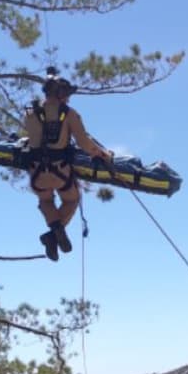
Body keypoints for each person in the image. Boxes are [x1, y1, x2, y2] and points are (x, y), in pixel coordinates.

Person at [23, 75, 113, 261]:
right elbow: (84, 143)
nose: (69, 99)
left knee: (45, 200)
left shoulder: (30, 113)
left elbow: (30, 139)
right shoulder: (70, 114)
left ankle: (55, 230)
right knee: (72, 200)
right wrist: (104, 155)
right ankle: (53, 235)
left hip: (36, 173)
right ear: (61, 93)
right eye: (67, 94)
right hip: (60, 171)